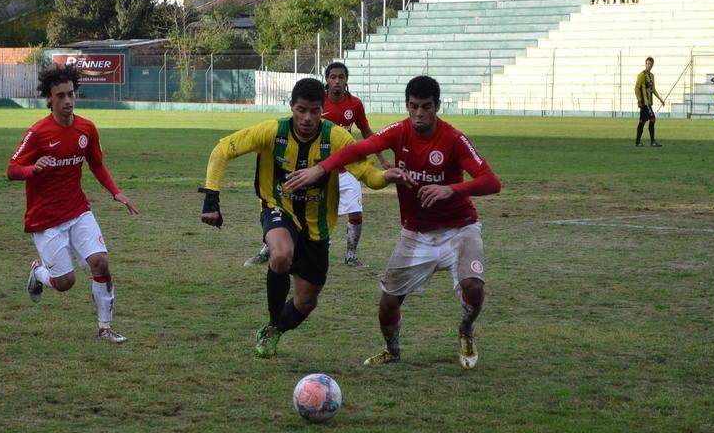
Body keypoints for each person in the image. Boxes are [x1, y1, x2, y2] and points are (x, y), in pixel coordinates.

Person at [285, 75, 501, 370]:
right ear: (407, 105)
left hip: (459, 228)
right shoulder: (399, 132)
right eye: (413, 106)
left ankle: (465, 330)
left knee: (473, 285)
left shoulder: (453, 139)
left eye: (426, 107)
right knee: (387, 305)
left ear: (437, 106)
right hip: (416, 233)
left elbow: (492, 181)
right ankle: (392, 350)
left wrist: (451, 189)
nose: (419, 114)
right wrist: (321, 168)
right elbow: (357, 150)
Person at [201, 78, 398, 358]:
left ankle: (276, 329)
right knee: (281, 254)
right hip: (277, 207)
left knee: (306, 302)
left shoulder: (337, 138)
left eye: (314, 111)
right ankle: (272, 325)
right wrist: (211, 199)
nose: (307, 118)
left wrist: (385, 177)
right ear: (291, 106)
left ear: (322, 111)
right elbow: (222, 150)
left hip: (318, 226)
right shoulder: (272, 131)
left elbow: (368, 175)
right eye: (301, 110)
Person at [7, 64, 139, 344]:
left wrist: (115, 192)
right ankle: (38, 273)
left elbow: (97, 165)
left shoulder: (87, 129)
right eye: (60, 96)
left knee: (100, 262)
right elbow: (12, 169)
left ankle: (105, 328)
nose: (67, 101)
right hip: (45, 218)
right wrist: (33, 169)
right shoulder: (38, 132)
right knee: (65, 283)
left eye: (71, 94)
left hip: (78, 210)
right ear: (50, 99)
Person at [243, 62, 389, 268]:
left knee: (356, 210)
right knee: (285, 207)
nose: (337, 81)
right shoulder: (317, 102)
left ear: (346, 80)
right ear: (327, 80)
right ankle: (268, 248)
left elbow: (366, 132)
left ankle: (351, 254)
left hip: (346, 169)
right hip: (315, 169)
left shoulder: (355, 104)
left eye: (341, 77)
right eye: (333, 77)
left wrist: (381, 159)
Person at [634, 57, 664, 147]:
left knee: (642, 121)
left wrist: (660, 99)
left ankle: (637, 142)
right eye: (648, 63)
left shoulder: (651, 76)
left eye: (651, 64)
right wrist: (639, 100)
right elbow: (636, 88)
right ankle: (652, 142)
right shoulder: (641, 75)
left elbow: (653, 89)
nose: (649, 65)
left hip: (649, 102)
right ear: (645, 64)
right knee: (653, 119)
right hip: (645, 103)